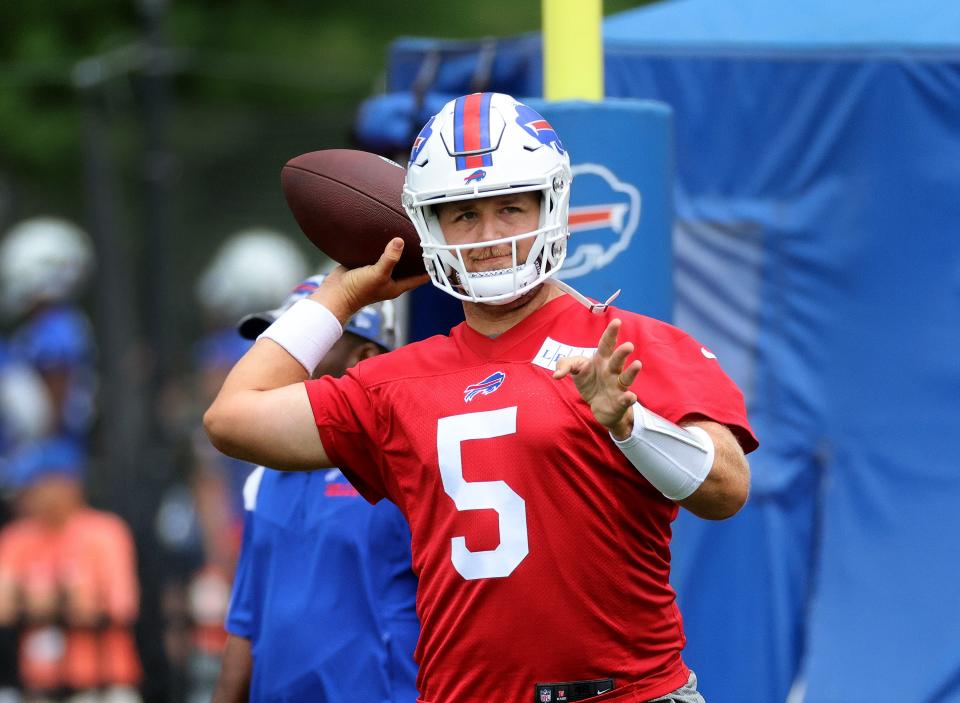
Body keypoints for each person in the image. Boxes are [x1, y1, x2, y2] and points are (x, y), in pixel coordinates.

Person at [205, 92, 757, 703]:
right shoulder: (396, 382)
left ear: (552, 205)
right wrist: (340, 296)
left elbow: (727, 489)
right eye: (463, 214)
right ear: (426, 226)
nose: (490, 235)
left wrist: (631, 425)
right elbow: (233, 417)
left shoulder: (624, 342)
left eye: (511, 208)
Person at [212, 275, 418, 703]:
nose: (279, 360)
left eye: (307, 343)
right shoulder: (262, 475)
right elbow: (247, 621)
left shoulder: (408, 460)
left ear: (363, 357)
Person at [0, 439, 142, 702]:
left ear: (67, 484)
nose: (25, 496)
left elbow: (120, 607)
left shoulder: (105, 532)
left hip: (101, 683)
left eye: (35, 486)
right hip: (36, 686)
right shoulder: (17, 537)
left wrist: (55, 597)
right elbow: (3, 608)